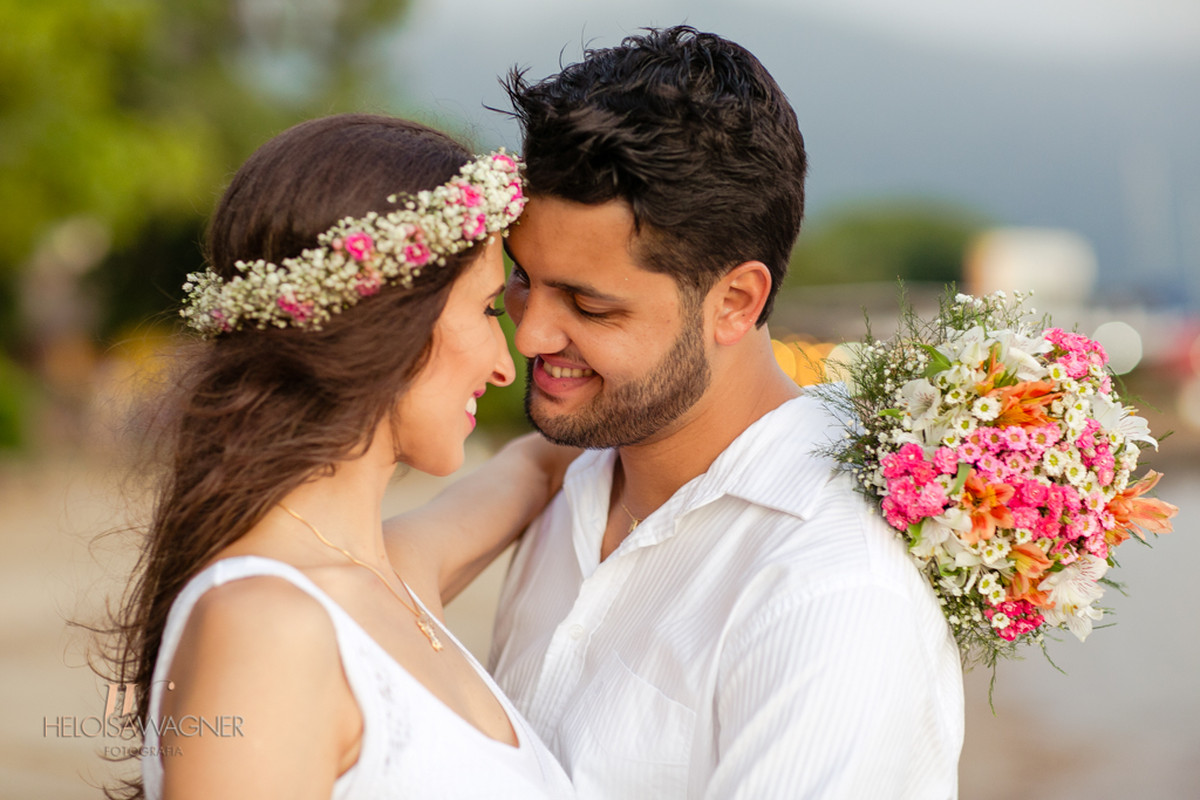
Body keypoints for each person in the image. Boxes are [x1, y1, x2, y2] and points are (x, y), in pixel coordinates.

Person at [486, 26, 965, 798]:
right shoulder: (573, 480)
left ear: (735, 302)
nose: (531, 332)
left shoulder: (830, 592)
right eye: (523, 280)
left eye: (588, 303)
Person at [106, 114, 575, 799]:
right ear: (391, 316)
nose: (506, 366)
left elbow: (534, 468)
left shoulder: (392, 578)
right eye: (487, 312)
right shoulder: (268, 627)